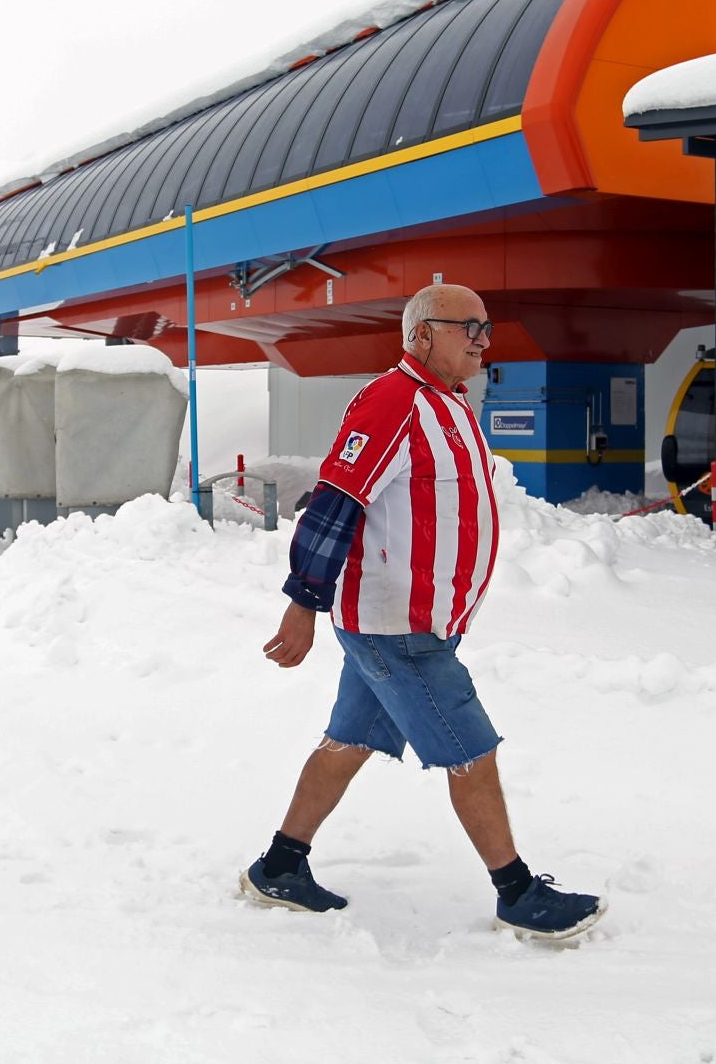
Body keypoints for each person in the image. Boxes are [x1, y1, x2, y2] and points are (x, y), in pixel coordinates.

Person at [238, 282, 606, 942]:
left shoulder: (451, 404)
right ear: (421, 334)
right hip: (396, 628)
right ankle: (516, 892)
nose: (482, 341)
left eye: (486, 328)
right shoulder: (393, 401)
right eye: (469, 327)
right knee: (472, 749)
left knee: (347, 741)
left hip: (418, 624)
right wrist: (302, 602)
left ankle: (280, 864)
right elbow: (335, 501)